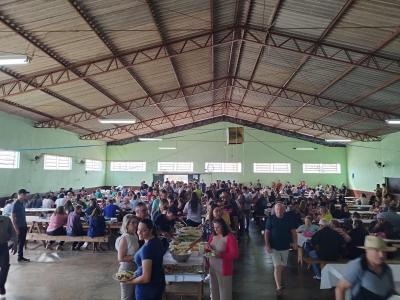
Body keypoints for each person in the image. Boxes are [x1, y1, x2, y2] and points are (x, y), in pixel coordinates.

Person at [335, 236, 396, 300]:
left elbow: (392, 291)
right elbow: (340, 288)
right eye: (377, 250)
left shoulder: (387, 269)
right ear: (367, 250)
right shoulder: (358, 266)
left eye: (384, 251)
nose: (381, 255)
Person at [127, 219, 168, 300]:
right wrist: (135, 273)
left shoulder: (147, 249)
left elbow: (146, 278)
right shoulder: (157, 241)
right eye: (138, 229)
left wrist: (129, 282)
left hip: (147, 289)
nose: (139, 232)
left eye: (143, 230)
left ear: (151, 230)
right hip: (158, 283)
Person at [264, 202, 297, 295]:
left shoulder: (288, 219)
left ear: (284, 210)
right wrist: (267, 244)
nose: (279, 211)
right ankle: (279, 286)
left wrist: (295, 242)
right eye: (277, 209)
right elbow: (266, 232)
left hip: (285, 246)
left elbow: (293, 231)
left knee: (282, 265)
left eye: (281, 209)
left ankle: (279, 279)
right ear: (274, 210)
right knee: (277, 266)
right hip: (274, 246)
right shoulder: (271, 219)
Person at [206, 218, 239, 300]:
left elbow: (234, 255)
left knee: (225, 293)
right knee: (214, 291)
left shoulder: (230, 237)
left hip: (223, 269)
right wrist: (206, 248)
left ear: (223, 227)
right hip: (212, 268)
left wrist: (220, 255)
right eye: (214, 227)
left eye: (218, 227)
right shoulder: (212, 236)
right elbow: (209, 250)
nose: (216, 229)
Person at [116, 214, 140, 300]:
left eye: (136, 223)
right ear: (126, 224)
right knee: (127, 296)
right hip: (126, 269)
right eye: (133, 223)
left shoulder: (134, 235)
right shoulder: (124, 238)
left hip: (134, 267)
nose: (136, 225)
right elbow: (121, 258)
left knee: (133, 295)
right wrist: (136, 256)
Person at [0, 213, 17, 296]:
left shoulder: (6, 220)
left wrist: (14, 243)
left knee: (5, 266)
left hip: (3, 247)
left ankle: (1, 284)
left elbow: (13, 233)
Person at [11, 189, 30, 262]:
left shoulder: (22, 203)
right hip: (19, 226)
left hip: (23, 225)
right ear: (21, 194)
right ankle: (18, 256)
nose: (26, 196)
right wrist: (16, 228)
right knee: (18, 242)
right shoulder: (15, 203)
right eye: (25, 194)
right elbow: (13, 217)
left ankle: (20, 257)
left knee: (22, 242)